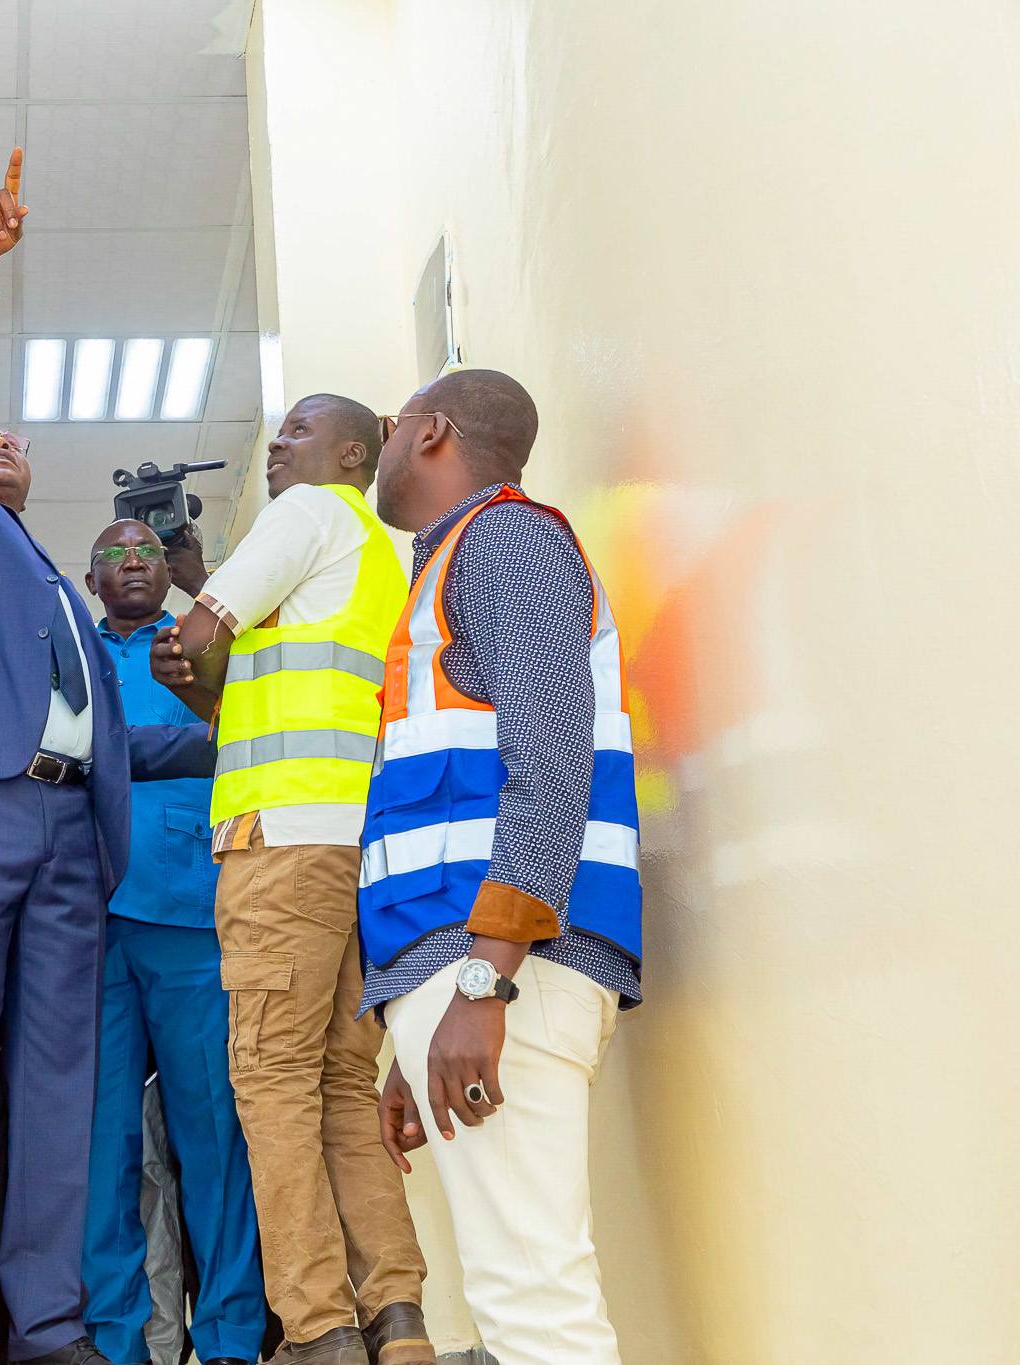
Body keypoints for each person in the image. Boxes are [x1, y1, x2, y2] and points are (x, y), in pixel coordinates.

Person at [0, 150, 214, 1365]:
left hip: (76, 832)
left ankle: (50, 1322)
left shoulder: (56, 591)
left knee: (61, 1088)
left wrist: (252, 748)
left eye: (12, 438)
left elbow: (125, 735)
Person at [365, 371, 642, 1365]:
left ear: (432, 432)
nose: (382, 443)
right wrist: (410, 1024)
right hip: (468, 970)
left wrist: (481, 982)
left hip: (502, 970)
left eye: (392, 426)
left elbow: (553, 751)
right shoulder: (452, 562)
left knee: (533, 1303)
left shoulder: (506, 541)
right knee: (505, 1302)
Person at [151, 396, 434, 1365]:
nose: (275, 443)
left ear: (350, 453)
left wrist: (188, 644)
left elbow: (196, 635)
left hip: (278, 846)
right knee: (342, 1089)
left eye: (297, 430)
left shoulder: (306, 513)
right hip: (357, 850)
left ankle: (315, 1330)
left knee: (268, 1082)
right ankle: (396, 1321)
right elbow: (244, 682)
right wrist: (209, 672)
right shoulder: (380, 556)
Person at [78, 520, 264, 1365]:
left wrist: (115, 756)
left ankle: (229, 1332)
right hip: (87, 926)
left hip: (194, 913)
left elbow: (233, 738)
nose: (131, 562)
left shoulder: (201, 645)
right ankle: (117, 1339)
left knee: (213, 1134)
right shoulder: (67, 653)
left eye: (147, 551)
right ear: (89, 579)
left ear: (171, 571)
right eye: (114, 553)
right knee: (101, 1141)